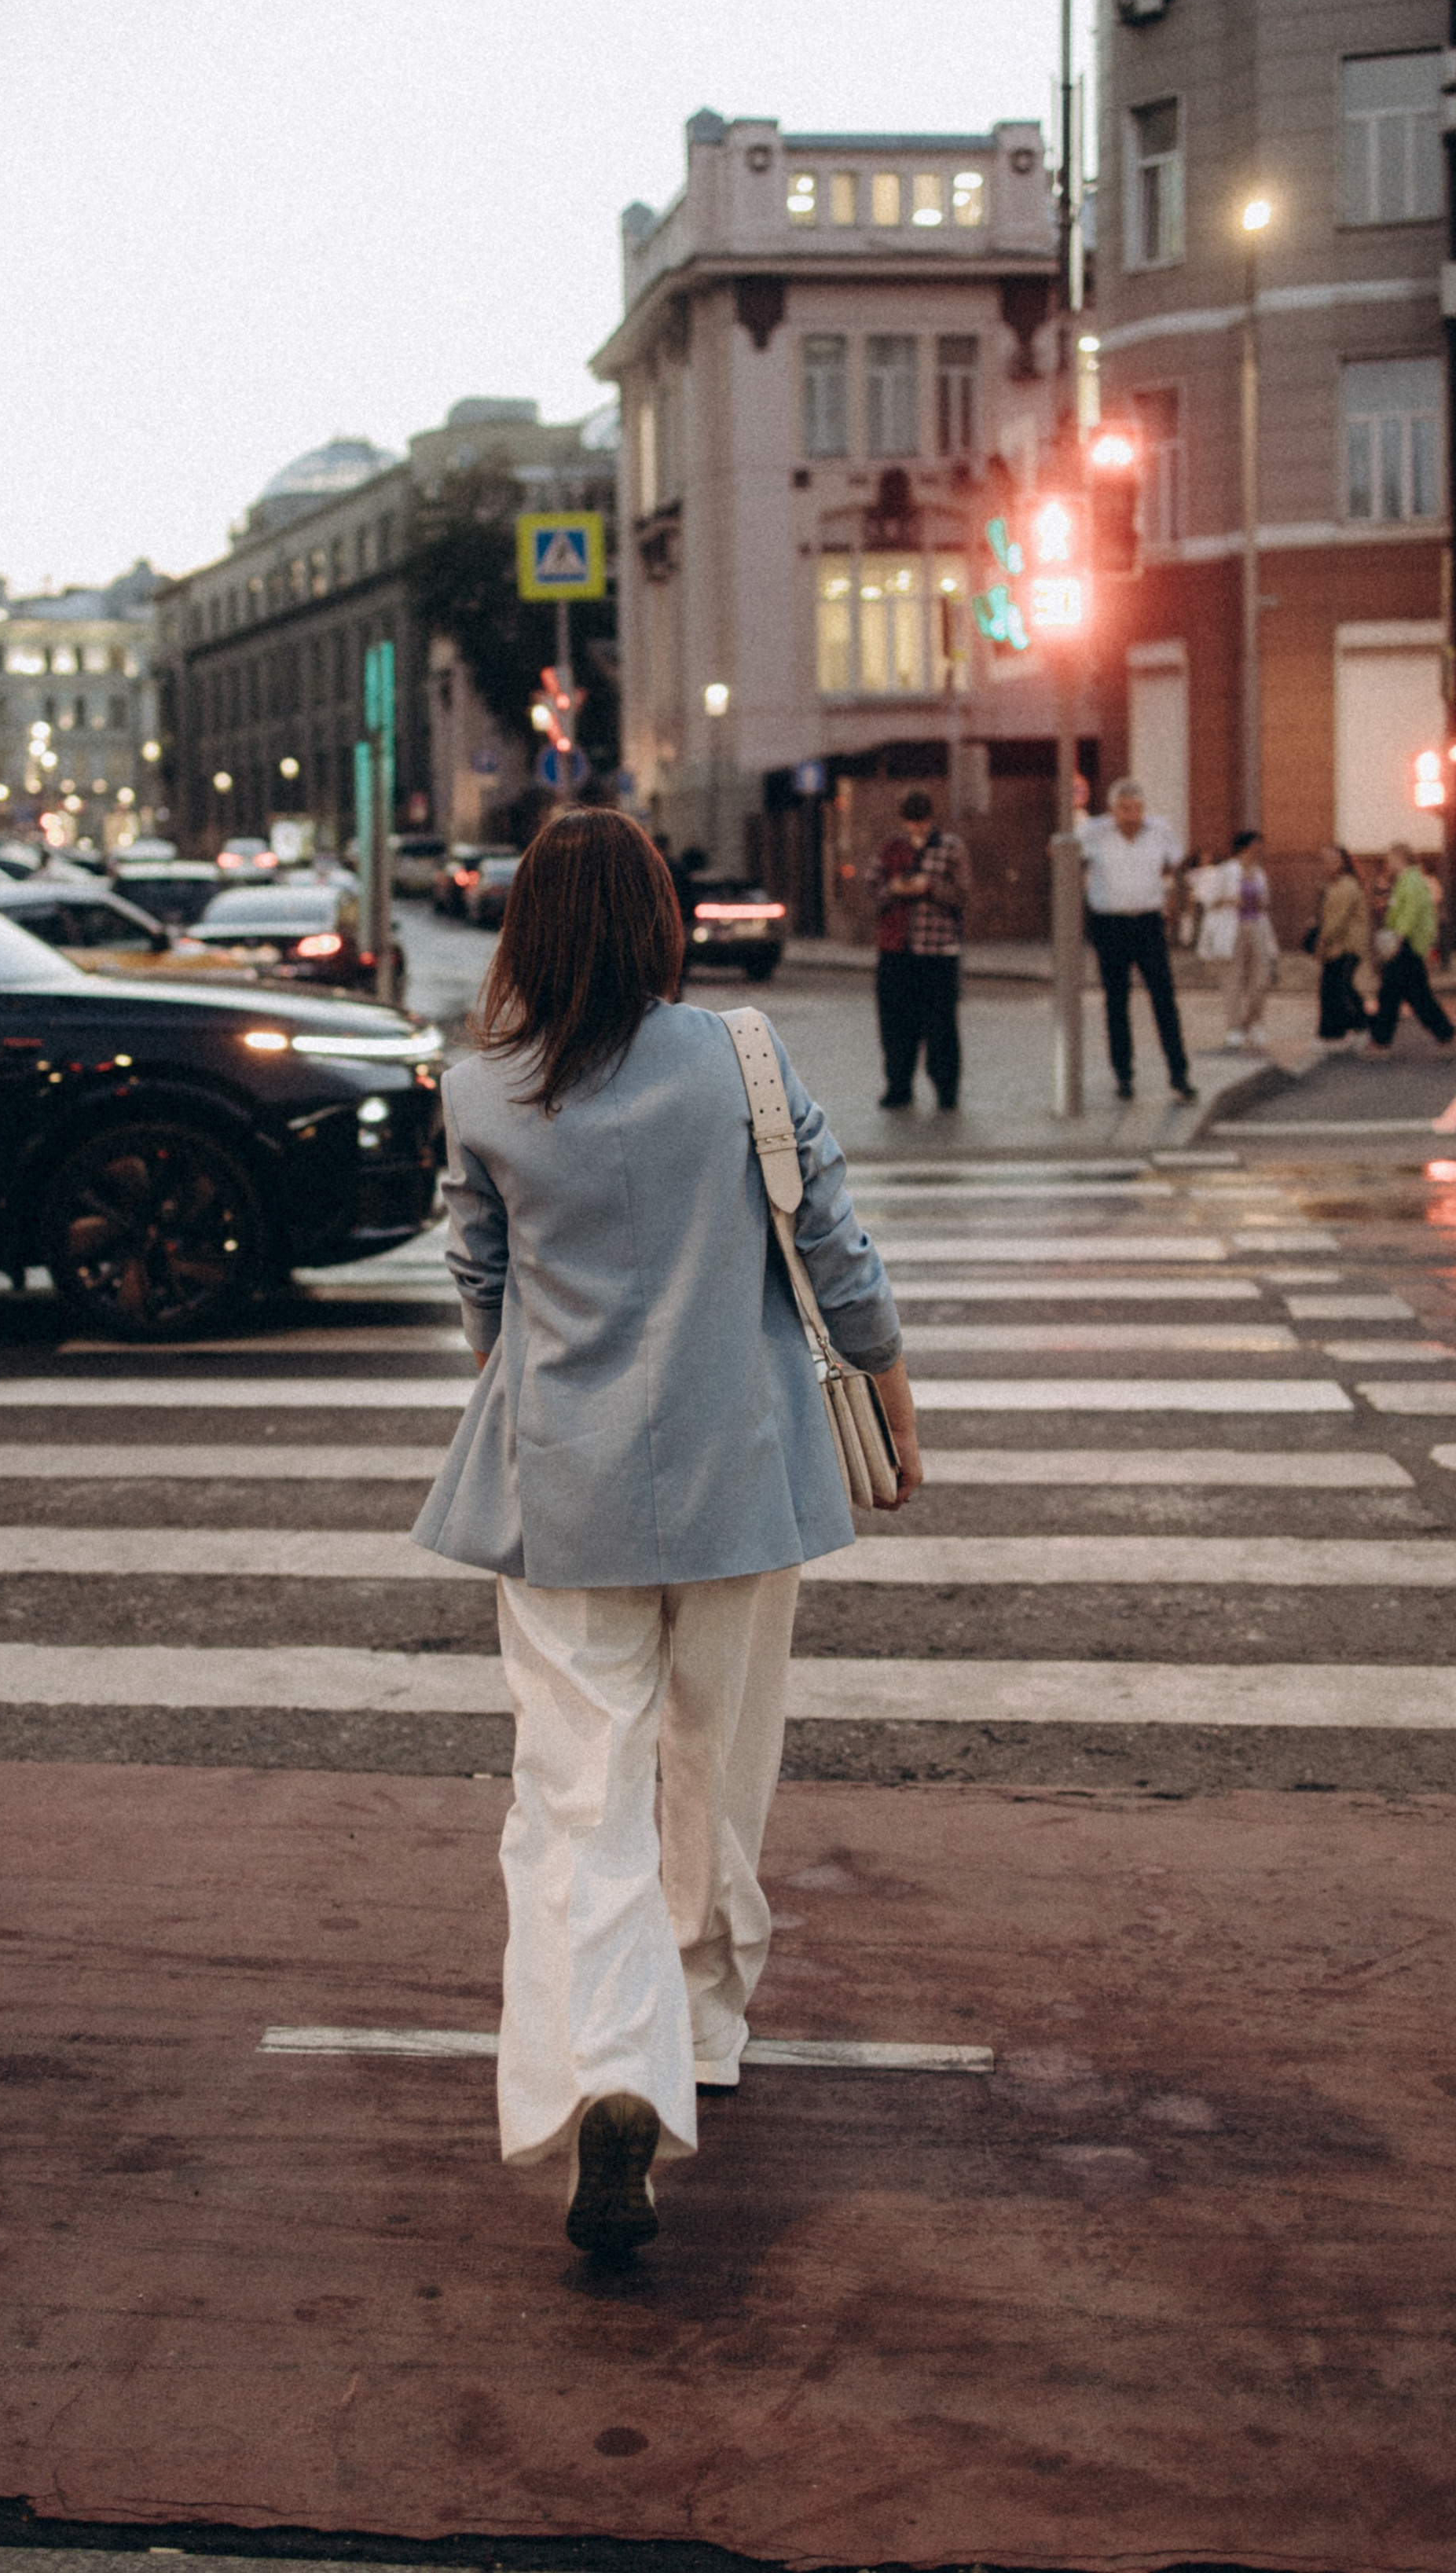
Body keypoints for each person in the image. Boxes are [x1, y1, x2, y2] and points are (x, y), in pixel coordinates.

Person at [411, 808, 919, 2259]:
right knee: (721, 1765)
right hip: (743, 1475)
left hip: (567, 1491)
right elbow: (831, 1241)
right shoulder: (738, 1060)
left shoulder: (487, 1090)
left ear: (523, 934)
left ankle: (610, 2069)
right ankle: (700, 2027)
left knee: (578, 1796)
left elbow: (481, 1291)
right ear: (661, 923)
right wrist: (888, 1374)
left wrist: (545, 1387)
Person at [1079, 776, 1196, 1104]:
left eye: (1137, 809)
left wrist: (1169, 898)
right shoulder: (1094, 831)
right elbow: (1066, 856)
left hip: (1147, 922)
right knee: (1116, 1003)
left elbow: (1175, 864)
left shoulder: (1160, 829)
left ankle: (1179, 1075)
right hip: (1110, 923)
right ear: (1113, 810)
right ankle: (1124, 1077)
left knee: (1164, 1000)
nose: (1132, 816)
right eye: (1125, 809)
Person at [865, 787, 970, 1110]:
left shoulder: (950, 847)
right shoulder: (890, 848)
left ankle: (946, 1091)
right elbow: (872, 887)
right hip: (897, 949)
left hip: (938, 948)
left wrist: (929, 888)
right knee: (896, 1024)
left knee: (941, 1026)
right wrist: (894, 890)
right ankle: (899, 1086)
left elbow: (963, 892)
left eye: (921, 823)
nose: (917, 829)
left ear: (931, 820)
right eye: (912, 823)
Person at [1366, 843, 1456, 1057]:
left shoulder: (1410, 881)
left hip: (1406, 945)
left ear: (1401, 859)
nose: (1388, 863)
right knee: (1404, 994)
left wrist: (1396, 940)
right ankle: (1444, 1035)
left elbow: (1408, 913)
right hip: (1408, 944)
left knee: (1402, 995)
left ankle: (1382, 1042)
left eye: (1391, 858)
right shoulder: (1409, 880)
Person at [1220, 830, 1277, 1052]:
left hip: (1257, 926)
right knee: (1232, 978)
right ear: (1244, 848)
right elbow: (1208, 898)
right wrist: (1231, 900)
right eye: (1255, 847)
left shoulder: (1259, 872)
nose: (1259, 851)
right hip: (1233, 926)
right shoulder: (1227, 870)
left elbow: (1266, 899)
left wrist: (1261, 901)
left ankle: (1253, 1021)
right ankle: (1233, 1027)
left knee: (1261, 977)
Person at [1313, 847, 1371, 1048]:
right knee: (1334, 987)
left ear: (1341, 862)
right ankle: (1337, 1033)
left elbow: (1338, 919)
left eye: (1329, 861)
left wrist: (1324, 940)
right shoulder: (1336, 885)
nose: (1324, 865)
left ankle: (1358, 1027)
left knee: (1339, 987)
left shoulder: (1345, 886)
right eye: (1323, 861)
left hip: (1346, 945)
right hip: (1340, 944)